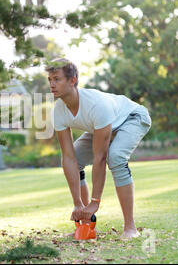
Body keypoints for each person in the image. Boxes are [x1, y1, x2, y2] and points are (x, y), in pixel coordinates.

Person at [47, 58, 152, 239]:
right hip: (103, 127)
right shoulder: (58, 110)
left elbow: (100, 157)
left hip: (132, 118)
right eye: (50, 80)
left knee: (116, 157)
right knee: (76, 159)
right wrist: (78, 203)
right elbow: (69, 157)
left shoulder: (95, 104)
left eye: (57, 79)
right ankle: (85, 225)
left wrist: (95, 201)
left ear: (72, 80)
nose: (52, 84)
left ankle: (130, 228)